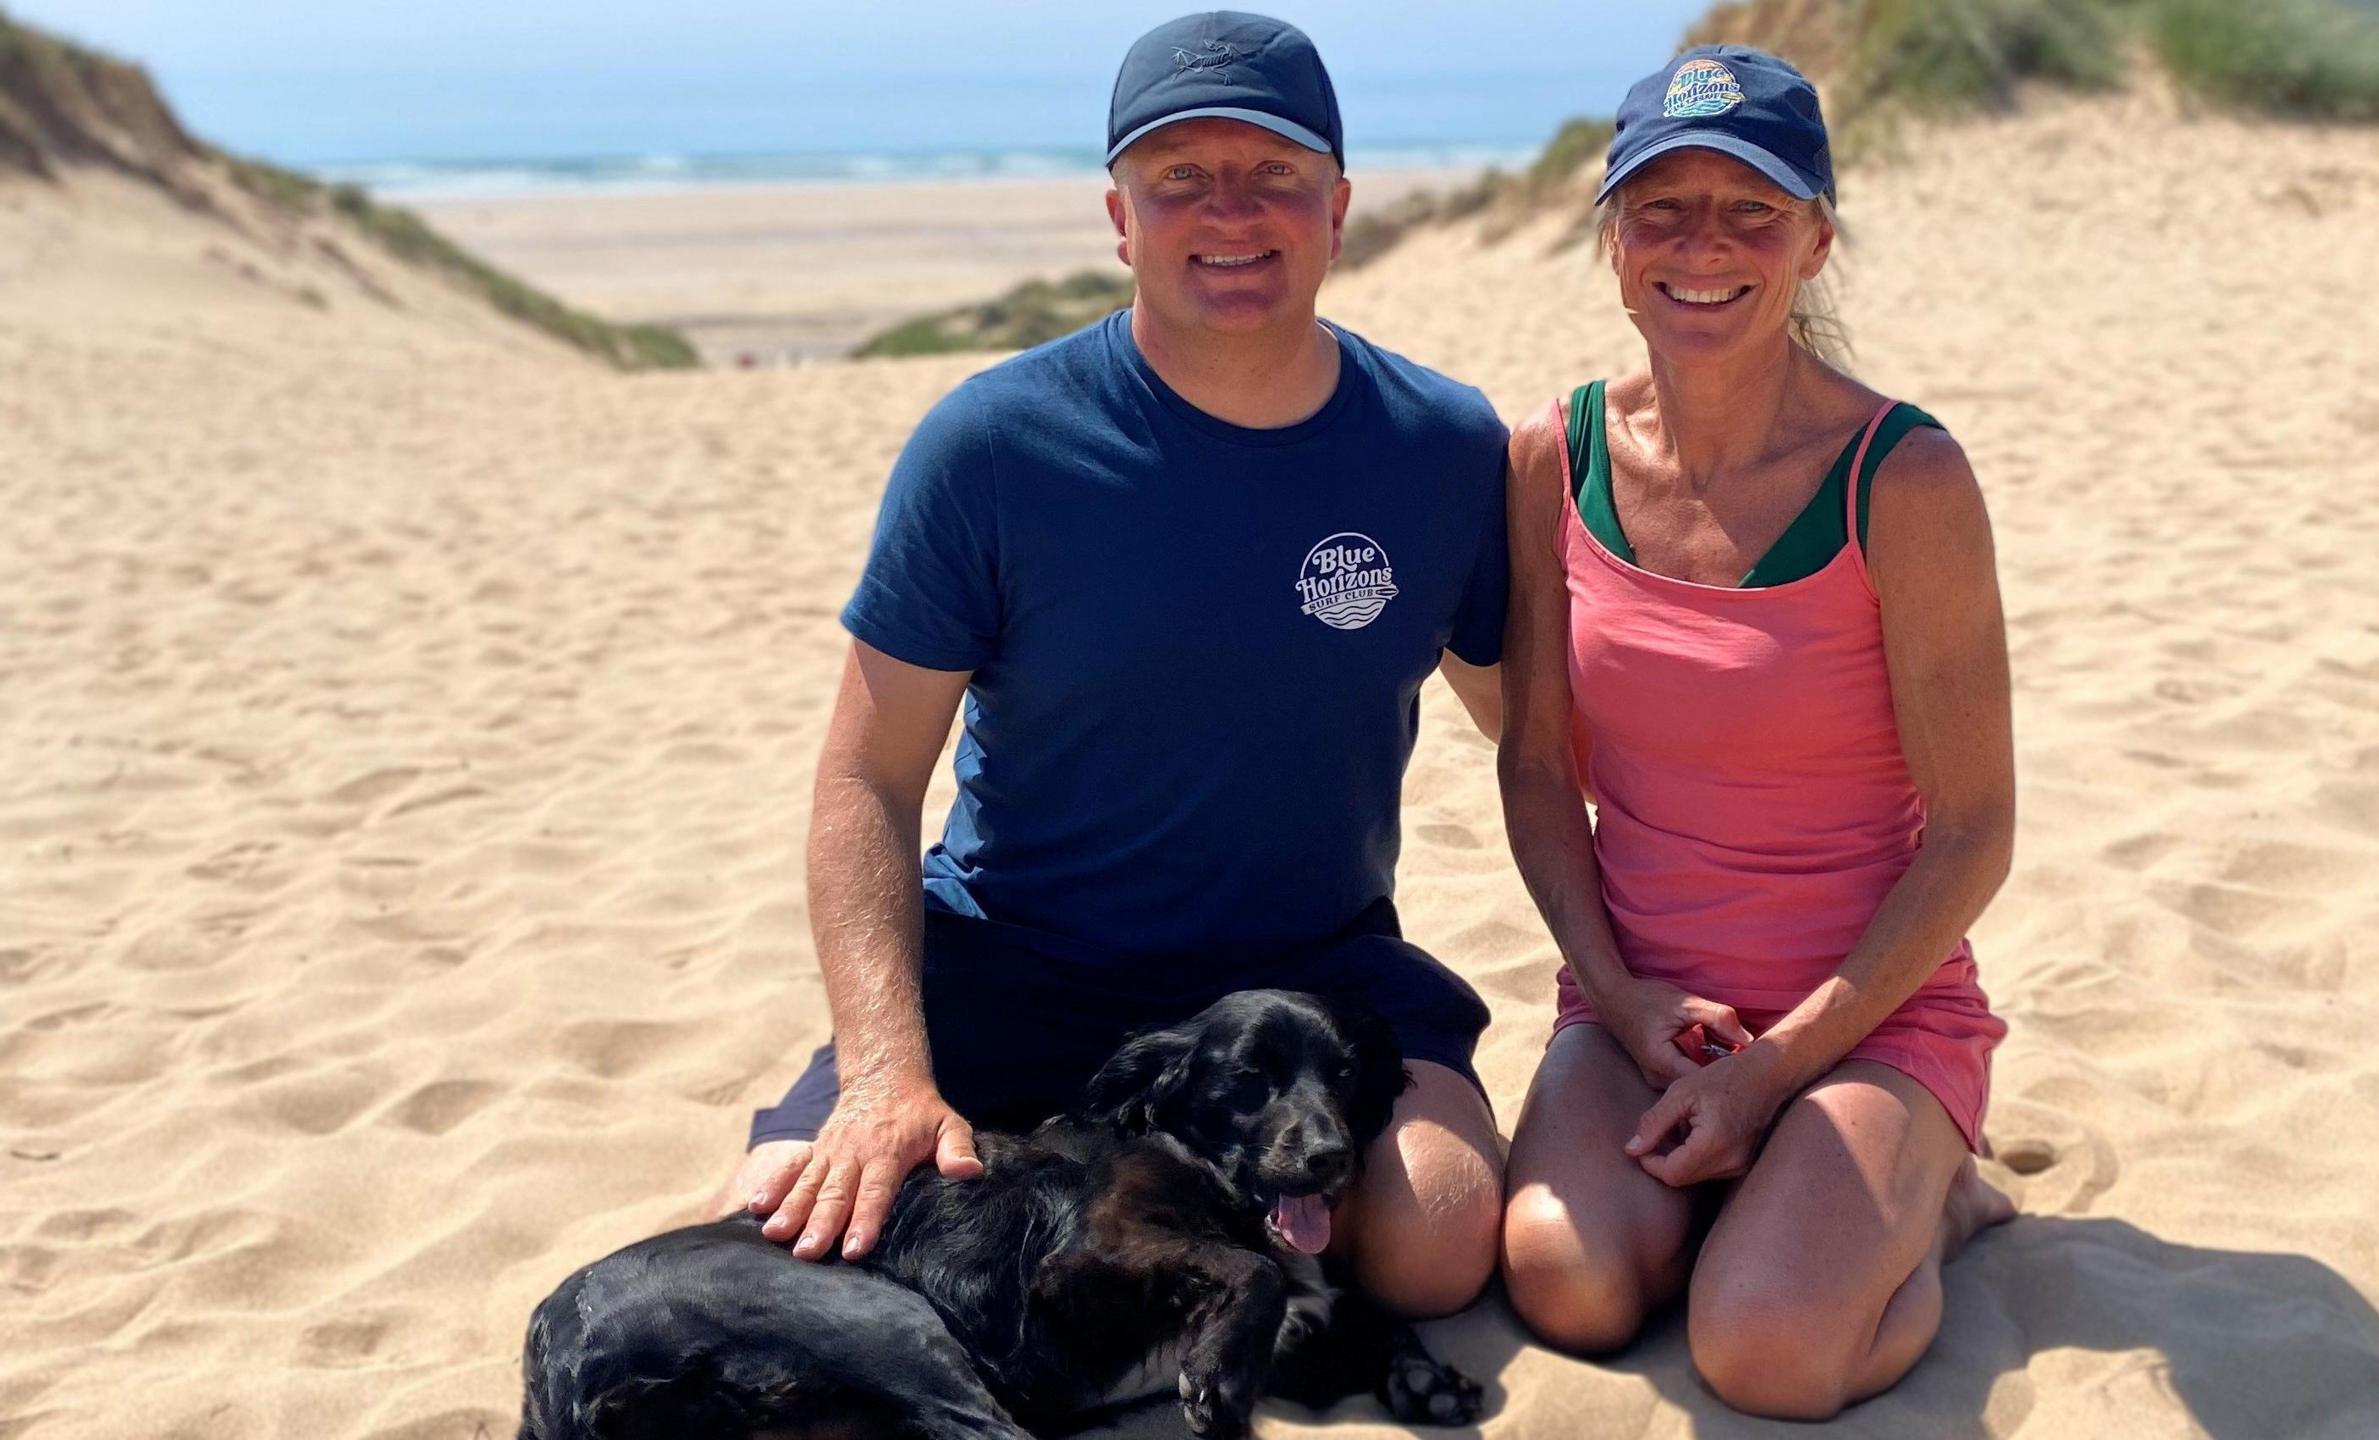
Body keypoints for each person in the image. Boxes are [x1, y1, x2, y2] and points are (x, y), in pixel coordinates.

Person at [705, 11, 1511, 1321]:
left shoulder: (1443, 446)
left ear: (1339, 206)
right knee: (771, 1235)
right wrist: (884, 1072)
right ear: (1120, 216)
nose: (1230, 211)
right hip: (1015, 963)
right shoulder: (991, 447)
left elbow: (1544, 743)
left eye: (1275, 175)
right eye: (1180, 177)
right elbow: (865, 776)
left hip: (1304, 986)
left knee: (1440, 1244)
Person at [1494, 45, 2020, 1419]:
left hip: (1868, 1013)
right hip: (1638, 1009)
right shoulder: (1556, 454)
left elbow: (1975, 832)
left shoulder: (1903, 476)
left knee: (1767, 1355)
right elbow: (1540, 767)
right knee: (1566, 1284)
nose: (1702, 247)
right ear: (1613, 241)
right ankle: (1774, 1207)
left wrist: (1781, 1069)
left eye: (1752, 210)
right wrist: (1620, 999)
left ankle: (1938, 1202)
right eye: (1661, 208)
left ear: (1816, 239)